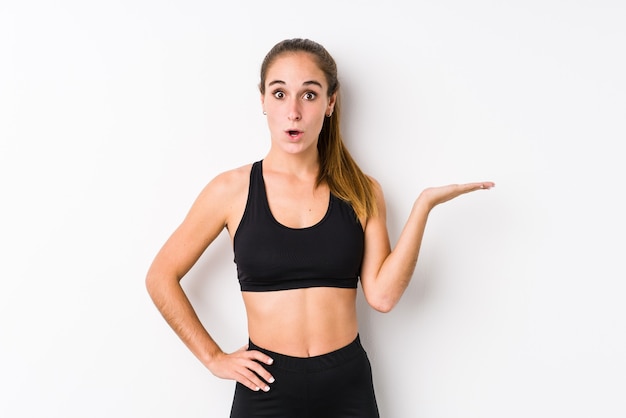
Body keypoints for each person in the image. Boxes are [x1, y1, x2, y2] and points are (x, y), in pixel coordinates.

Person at [145, 38, 494, 418]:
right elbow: (161, 276)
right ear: (262, 100)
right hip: (266, 386)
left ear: (330, 103)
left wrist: (423, 206)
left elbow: (383, 296)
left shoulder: (361, 190)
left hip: (347, 386)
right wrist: (213, 358)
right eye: (280, 94)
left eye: (309, 95)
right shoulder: (231, 190)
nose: (293, 112)